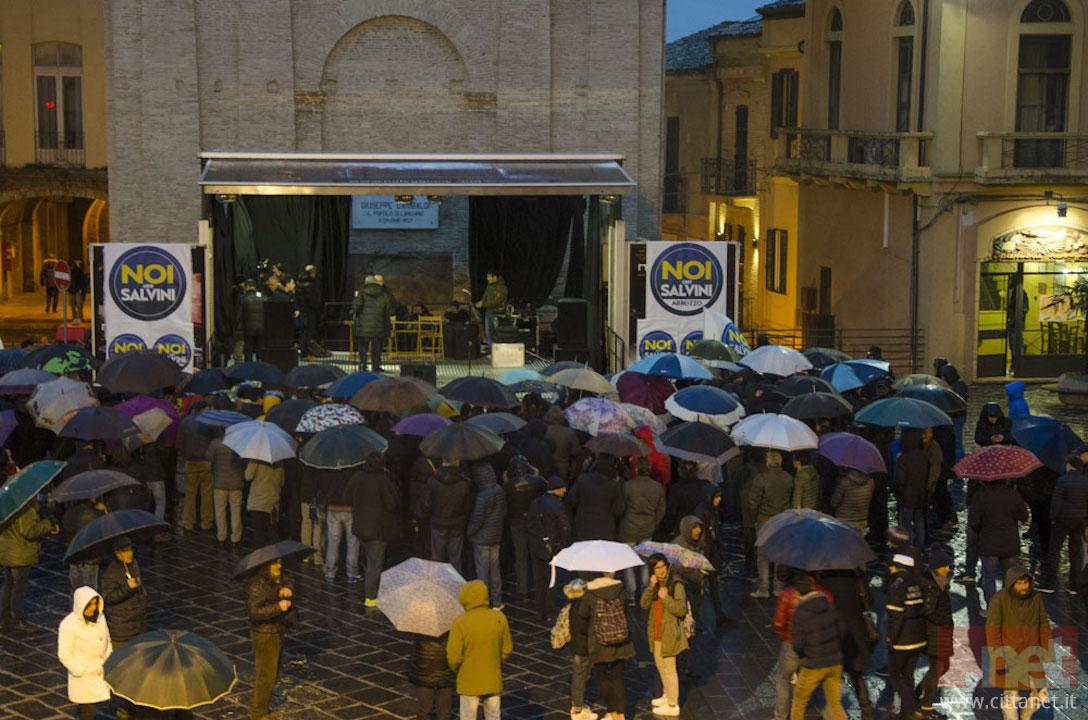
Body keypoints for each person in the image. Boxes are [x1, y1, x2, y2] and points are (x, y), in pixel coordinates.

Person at [986, 566, 1052, 720]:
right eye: (1019, 583)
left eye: (1026, 583)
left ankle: (1026, 717)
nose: (1023, 587)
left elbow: (1043, 623)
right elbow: (992, 631)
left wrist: (1046, 650)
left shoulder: (1036, 598)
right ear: (1011, 584)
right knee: (1011, 697)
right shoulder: (999, 600)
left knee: (1040, 693)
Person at [446, 579, 513, 720]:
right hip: (492, 677)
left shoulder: (460, 623)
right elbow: (507, 649)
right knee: (493, 716)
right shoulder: (499, 618)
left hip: (468, 680)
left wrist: (457, 669)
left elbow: (453, 656)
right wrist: (496, 662)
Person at [816, 569, 875, 720]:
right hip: (856, 635)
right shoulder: (857, 580)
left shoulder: (824, 582)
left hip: (835, 634)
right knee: (857, 676)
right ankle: (867, 712)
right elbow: (869, 603)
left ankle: (833, 713)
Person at [789, 574, 847, 720]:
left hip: (813, 665)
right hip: (835, 663)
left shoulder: (799, 614)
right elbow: (843, 631)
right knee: (835, 703)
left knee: (799, 701)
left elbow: (797, 645)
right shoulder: (828, 605)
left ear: (798, 592)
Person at [578, 573, 634, 720]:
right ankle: (621, 714)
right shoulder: (620, 589)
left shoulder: (590, 592)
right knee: (618, 677)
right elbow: (626, 613)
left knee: (601, 677)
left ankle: (612, 711)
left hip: (599, 641)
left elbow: (582, 615)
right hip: (620, 640)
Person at [0, 497, 58, 635]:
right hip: (20, 553)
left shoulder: (6, 505)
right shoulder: (25, 509)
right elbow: (29, 531)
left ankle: (4, 618)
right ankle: (17, 620)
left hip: (7, 551)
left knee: (9, 584)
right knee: (18, 587)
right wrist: (47, 524)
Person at [639, 554, 688, 717]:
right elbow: (643, 604)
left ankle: (673, 704)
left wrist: (666, 598)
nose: (660, 571)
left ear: (667, 566)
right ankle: (667, 695)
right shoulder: (656, 585)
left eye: (662, 566)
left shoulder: (676, 584)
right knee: (661, 666)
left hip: (670, 633)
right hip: (656, 631)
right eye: (656, 568)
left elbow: (681, 609)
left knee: (669, 668)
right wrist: (650, 587)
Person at [969, 479, 1028, 607]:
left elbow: (974, 522)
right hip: (1010, 543)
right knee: (1010, 578)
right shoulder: (1013, 494)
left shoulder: (981, 495)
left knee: (989, 577)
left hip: (988, 543)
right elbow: (1024, 516)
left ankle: (992, 608)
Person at [351, 452, 400, 607]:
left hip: (360, 526)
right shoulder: (383, 480)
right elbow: (392, 503)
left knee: (369, 559)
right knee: (375, 564)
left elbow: (347, 496)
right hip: (378, 529)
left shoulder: (358, 477)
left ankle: (369, 587)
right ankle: (371, 596)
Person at [57, 586, 112, 720]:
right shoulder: (68, 624)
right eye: (89, 605)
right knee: (87, 712)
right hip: (84, 676)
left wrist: (108, 660)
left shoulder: (100, 618)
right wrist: (80, 670)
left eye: (95, 604)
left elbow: (107, 640)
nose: (93, 608)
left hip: (100, 671)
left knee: (94, 707)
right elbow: (64, 654)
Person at [1037, 455, 1088, 594]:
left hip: (1062, 520)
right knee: (1076, 552)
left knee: (1054, 550)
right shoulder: (1086, 481)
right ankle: (1074, 585)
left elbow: (1056, 502)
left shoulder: (1063, 480)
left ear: (1070, 466)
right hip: (1079, 520)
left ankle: (1049, 584)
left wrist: (1053, 518)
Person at [885, 553, 926, 720]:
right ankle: (905, 713)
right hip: (918, 638)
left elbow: (896, 616)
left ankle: (910, 706)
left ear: (898, 567)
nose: (890, 569)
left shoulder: (897, 585)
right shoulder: (916, 583)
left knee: (894, 673)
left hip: (902, 639)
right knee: (908, 675)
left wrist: (891, 638)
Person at [525, 476, 572, 620]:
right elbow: (565, 528)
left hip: (537, 548)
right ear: (556, 489)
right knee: (552, 580)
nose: (565, 490)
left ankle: (540, 609)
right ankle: (548, 611)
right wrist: (562, 545)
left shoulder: (535, 503)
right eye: (562, 488)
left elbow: (529, 525)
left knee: (539, 579)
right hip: (554, 549)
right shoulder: (558, 505)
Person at [618, 458, 666, 597]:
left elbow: (621, 507)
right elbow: (661, 509)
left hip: (628, 528)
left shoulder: (627, 486)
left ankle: (631, 592)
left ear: (636, 470)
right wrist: (654, 523)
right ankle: (645, 589)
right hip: (647, 528)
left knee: (628, 562)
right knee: (645, 561)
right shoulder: (657, 487)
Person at [749, 450, 793, 598]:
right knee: (780, 553)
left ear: (767, 462)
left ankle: (763, 588)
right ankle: (778, 587)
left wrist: (754, 516)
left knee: (763, 554)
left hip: (764, 519)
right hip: (782, 520)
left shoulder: (760, 478)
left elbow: (753, 501)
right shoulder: (788, 478)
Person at [918, 546, 953, 720]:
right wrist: (944, 620)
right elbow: (928, 610)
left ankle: (918, 693)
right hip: (935, 632)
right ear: (935, 567)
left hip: (940, 632)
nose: (948, 569)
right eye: (944, 566)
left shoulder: (940, 581)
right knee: (937, 668)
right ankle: (926, 707)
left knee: (942, 666)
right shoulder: (932, 586)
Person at [467, 463, 507, 609]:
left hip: (481, 539)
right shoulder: (499, 490)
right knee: (495, 571)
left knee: (482, 572)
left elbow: (477, 520)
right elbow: (503, 512)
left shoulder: (482, 496)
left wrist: (469, 532)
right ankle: (496, 601)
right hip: (495, 536)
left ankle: (482, 601)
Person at [503, 463, 546, 600]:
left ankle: (522, 588)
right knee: (535, 554)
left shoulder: (508, 485)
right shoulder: (537, 481)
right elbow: (544, 489)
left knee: (520, 555)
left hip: (516, 521)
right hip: (533, 521)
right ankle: (539, 586)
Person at [425, 460, 473, 574]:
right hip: (457, 524)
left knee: (437, 557)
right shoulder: (465, 483)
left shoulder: (432, 481)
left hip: (438, 523)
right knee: (455, 558)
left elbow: (427, 504)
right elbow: (468, 507)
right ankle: (455, 582)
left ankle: (437, 582)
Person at [560, 579, 598, 720]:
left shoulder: (572, 604)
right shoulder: (583, 606)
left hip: (576, 645)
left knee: (579, 674)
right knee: (580, 676)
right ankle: (577, 709)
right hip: (583, 646)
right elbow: (584, 627)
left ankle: (577, 705)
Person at [99, 538, 147, 646]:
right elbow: (109, 597)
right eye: (126, 551)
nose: (130, 553)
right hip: (122, 628)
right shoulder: (110, 573)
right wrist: (127, 588)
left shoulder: (134, 565)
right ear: (118, 554)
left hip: (138, 624)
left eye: (131, 550)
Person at [568, 455, 626, 541]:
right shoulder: (614, 485)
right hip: (605, 530)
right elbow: (619, 510)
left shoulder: (582, 479)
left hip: (583, 528)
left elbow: (571, 500)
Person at [324, 465, 360, 584]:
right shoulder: (355, 473)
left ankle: (330, 572)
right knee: (353, 542)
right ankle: (352, 573)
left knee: (333, 541)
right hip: (350, 509)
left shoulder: (329, 470)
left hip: (333, 508)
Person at [894, 428, 929, 549]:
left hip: (906, 496)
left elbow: (900, 480)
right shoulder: (923, 456)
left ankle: (908, 546)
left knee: (906, 524)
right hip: (920, 494)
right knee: (919, 521)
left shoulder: (904, 458)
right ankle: (920, 545)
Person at [208, 434, 245, 547]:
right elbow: (245, 462)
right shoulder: (240, 444)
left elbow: (209, 461)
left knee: (220, 510)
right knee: (236, 511)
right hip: (236, 483)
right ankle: (236, 537)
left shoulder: (215, 443)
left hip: (220, 483)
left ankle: (221, 536)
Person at [408, 632, 455, 720]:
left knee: (424, 705)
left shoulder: (420, 626)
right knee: (445, 693)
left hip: (424, 666)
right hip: (445, 665)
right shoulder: (450, 627)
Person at [62, 498, 106, 590]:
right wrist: (103, 511)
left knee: (76, 591)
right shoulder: (93, 514)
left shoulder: (69, 512)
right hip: (89, 558)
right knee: (90, 591)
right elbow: (104, 526)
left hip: (73, 556)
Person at [352, 275, 393, 372]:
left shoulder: (362, 293)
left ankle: (363, 366)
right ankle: (376, 368)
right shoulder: (384, 294)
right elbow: (388, 310)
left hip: (363, 327)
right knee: (377, 350)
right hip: (379, 327)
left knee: (363, 349)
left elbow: (356, 307)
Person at [245, 460, 285, 548]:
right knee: (272, 532)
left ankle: (260, 554)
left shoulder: (256, 460)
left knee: (258, 533)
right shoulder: (279, 462)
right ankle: (274, 554)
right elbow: (282, 482)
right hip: (273, 502)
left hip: (258, 502)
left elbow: (248, 476)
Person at [830, 467, 874, 535]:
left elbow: (834, 502)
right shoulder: (870, 482)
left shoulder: (844, 482)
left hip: (844, 519)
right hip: (862, 519)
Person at [544, 405, 582, 482]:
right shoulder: (569, 432)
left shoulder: (544, 431)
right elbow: (576, 452)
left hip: (546, 467)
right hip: (563, 469)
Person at [296, 264, 324, 358]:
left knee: (303, 332)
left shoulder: (299, 283)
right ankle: (306, 352)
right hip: (310, 311)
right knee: (308, 332)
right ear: (312, 273)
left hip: (302, 310)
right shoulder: (310, 285)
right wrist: (316, 306)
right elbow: (312, 299)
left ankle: (303, 351)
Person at [475, 271, 508, 351]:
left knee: (496, 333)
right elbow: (485, 296)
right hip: (488, 312)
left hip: (497, 313)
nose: (487, 279)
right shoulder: (489, 286)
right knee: (488, 333)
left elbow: (496, 302)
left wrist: (483, 304)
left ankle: (498, 351)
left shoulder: (502, 288)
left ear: (495, 277)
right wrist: (481, 302)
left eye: (489, 277)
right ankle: (491, 351)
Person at [241, 279, 265, 362]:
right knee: (260, 349)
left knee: (248, 349)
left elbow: (240, 314)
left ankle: (248, 366)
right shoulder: (262, 296)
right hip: (261, 327)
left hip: (248, 328)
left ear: (247, 286)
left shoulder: (243, 298)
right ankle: (260, 365)